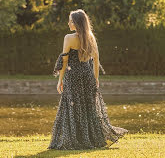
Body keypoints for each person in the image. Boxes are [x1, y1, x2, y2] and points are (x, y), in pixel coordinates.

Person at [48, 9, 128, 150]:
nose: (68, 23)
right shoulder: (91, 37)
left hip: (73, 77)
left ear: (77, 23)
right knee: (88, 107)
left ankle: (74, 140)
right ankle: (91, 139)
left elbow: (64, 61)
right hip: (87, 75)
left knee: (72, 107)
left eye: (71, 21)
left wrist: (60, 80)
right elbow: (96, 60)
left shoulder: (68, 38)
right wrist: (95, 78)